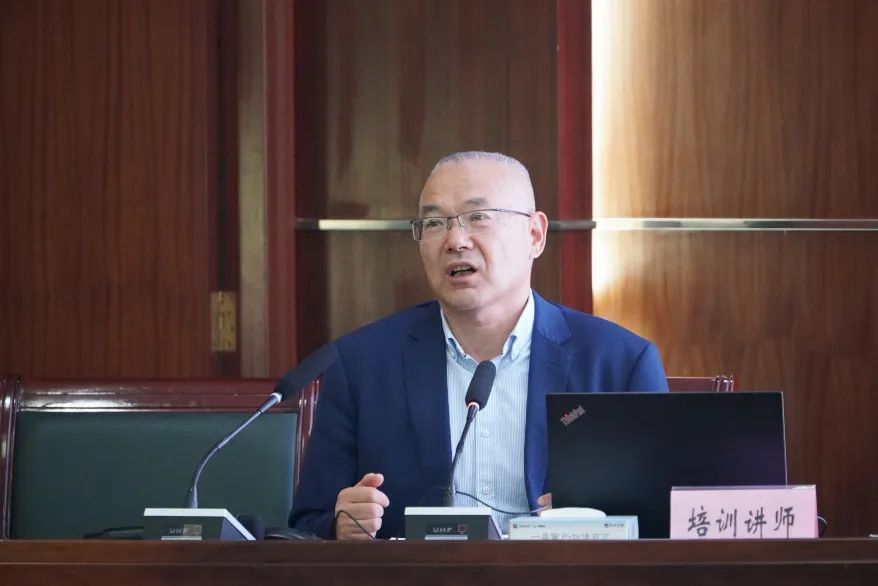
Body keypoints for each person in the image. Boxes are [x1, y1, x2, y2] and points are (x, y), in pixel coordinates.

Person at [290, 151, 668, 540]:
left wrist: (599, 523)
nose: (455, 240)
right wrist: (341, 524)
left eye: (478, 217)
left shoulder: (619, 363)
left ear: (534, 235)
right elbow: (306, 525)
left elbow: (666, 526)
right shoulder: (362, 364)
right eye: (434, 223)